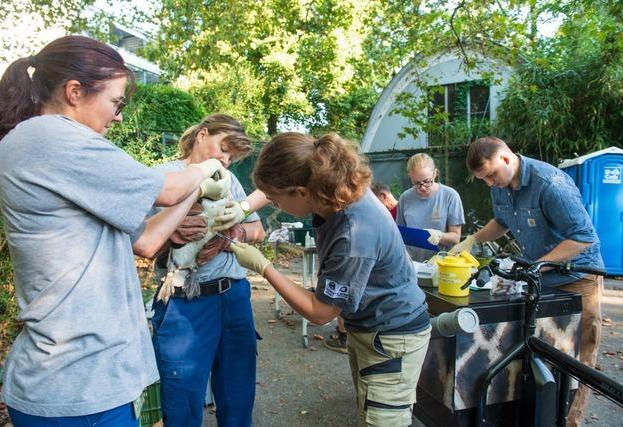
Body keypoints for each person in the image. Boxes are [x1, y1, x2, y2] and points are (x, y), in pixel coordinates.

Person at [0, 36, 229, 426]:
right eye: (116, 103)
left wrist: (195, 191)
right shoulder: (50, 137)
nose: (118, 117)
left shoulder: (52, 150)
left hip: (90, 381)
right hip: (75, 387)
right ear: (74, 92)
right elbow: (167, 189)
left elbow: (147, 241)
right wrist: (205, 170)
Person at [230, 132, 431, 426]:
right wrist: (241, 208)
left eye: (276, 200)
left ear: (301, 192)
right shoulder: (331, 185)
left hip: (392, 336)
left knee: (384, 422)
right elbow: (275, 186)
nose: (273, 204)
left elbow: (321, 312)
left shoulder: (355, 232)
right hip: (368, 327)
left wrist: (264, 267)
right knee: (368, 413)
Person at [450, 136, 604, 427]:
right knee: (539, 347)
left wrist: (537, 265)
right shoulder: (500, 186)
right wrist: (472, 240)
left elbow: (584, 238)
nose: (490, 183)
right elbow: (502, 221)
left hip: (577, 277)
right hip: (540, 278)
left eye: (492, 175)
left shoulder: (550, 185)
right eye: (484, 179)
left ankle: (572, 421)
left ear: (507, 158)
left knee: (579, 357)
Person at [150, 114, 265, 427]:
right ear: (202, 134)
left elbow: (257, 230)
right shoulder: (164, 177)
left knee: (238, 397)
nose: (224, 160)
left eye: (231, 157)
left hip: (233, 295)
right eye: (222, 148)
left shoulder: (228, 178)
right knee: (182, 401)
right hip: (185, 302)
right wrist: (172, 239)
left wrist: (233, 236)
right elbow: (140, 239)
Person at [396, 153, 465, 262]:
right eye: (416, 183)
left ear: (435, 174)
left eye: (427, 181)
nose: (422, 188)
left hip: (443, 263)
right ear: (411, 178)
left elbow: (456, 238)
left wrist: (439, 236)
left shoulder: (450, 196)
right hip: (413, 263)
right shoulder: (405, 198)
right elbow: (399, 235)